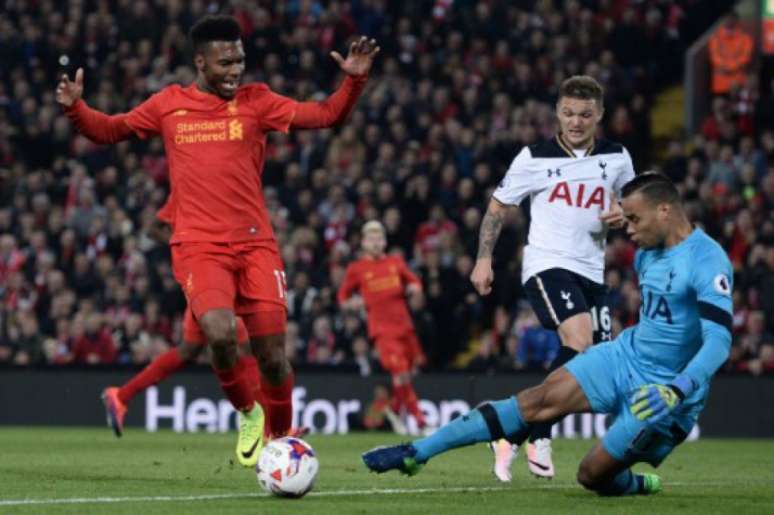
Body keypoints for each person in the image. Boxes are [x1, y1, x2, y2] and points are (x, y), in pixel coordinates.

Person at [56, 14, 379, 467]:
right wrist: (75, 108)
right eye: (225, 62)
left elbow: (325, 115)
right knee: (219, 334)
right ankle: (248, 412)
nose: (235, 70)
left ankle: (279, 440)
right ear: (201, 63)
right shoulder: (169, 105)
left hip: (255, 245)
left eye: (240, 60)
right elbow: (109, 129)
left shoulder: (258, 102)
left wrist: (354, 84)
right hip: (198, 246)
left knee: (272, 358)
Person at [363, 172, 734, 498]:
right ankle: (418, 452)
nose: (629, 229)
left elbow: (718, 340)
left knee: (591, 475)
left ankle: (634, 484)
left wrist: (678, 389)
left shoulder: (707, 259)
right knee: (537, 400)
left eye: (634, 219)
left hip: (667, 391)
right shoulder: (647, 253)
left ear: (665, 210)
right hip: (626, 356)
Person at [469, 75, 635, 480]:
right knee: (577, 340)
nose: (575, 122)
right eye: (567, 113)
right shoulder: (534, 157)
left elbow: (636, 206)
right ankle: (533, 432)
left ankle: (519, 431)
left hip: (593, 271)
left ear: (599, 116)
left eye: (584, 115)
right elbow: (496, 207)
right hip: (548, 264)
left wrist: (625, 213)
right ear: (557, 114)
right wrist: (483, 259)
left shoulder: (617, 158)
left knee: (593, 366)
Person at [338, 221, 428, 434]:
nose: (376, 243)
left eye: (379, 239)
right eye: (371, 239)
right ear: (363, 242)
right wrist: (353, 303)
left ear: (385, 241)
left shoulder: (395, 263)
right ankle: (421, 422)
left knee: (406, 374)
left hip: (405, 327)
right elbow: (342, 297)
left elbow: (415, 282)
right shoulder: (357, 269)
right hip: (382, 330)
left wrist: (415, 288)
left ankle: (395, 411)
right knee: (401, 373)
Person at [708, 12, 754, 95]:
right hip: (719, 84)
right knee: (718, 105)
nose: (729, 21)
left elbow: (746, 57)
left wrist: (731, 67)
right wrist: (726, 67)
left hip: (738, 81)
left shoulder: (745, 38)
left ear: (736, 20)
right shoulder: (716, 38)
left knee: (738, 104)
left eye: (731, 18)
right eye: (726, 18)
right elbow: (714, 56)